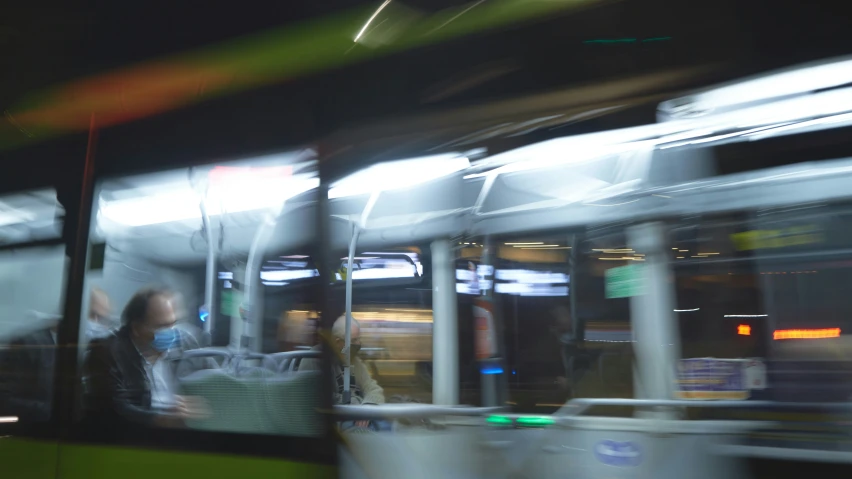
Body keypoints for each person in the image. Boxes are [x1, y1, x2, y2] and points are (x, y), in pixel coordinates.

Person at [83, 287, 206, 429]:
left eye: (173, 323)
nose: (171, 332)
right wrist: (161, 420)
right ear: (136, 328)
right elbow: (114, 408)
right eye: (162, 326)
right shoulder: (107, 352)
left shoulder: (179, 348)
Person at [301, 315, 385, 430]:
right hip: (333, 423)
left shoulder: (354, 361)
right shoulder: (313, 359)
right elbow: (319, 398)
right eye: (354, 340)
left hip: (358, 415)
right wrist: (357, 408)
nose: (359, 343)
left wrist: (368, 407)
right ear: (338, 342)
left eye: (359, 338)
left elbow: (373, 388)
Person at [0, 314, 60, 422]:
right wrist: (54, 410)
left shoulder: (85, 351)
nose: (96, 323)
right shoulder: (30, 345)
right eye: (92, 316)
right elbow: (5, 399)